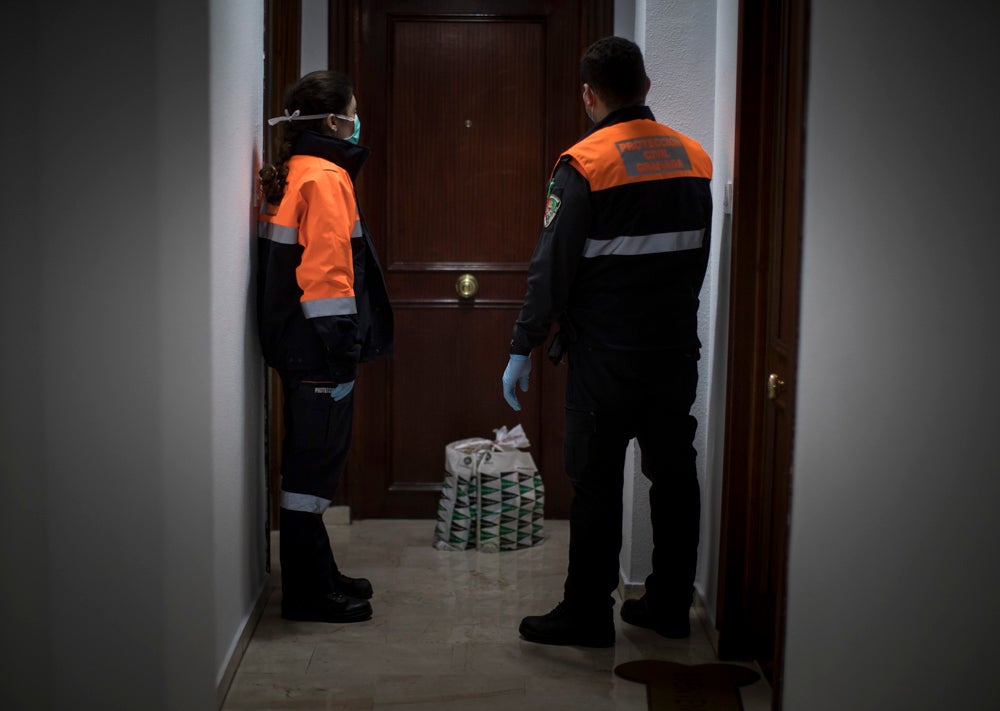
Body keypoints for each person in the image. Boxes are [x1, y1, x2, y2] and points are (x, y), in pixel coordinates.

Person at [502, 37, 713, 647]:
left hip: (604, 359)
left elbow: (552, 267)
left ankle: (587, 614)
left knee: (595, 484)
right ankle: (669, 605)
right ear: (646, 87)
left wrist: (524, 344)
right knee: (674, 476)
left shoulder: (586, 163)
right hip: (674, 352)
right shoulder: (693, 158)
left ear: (589, 94)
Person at [258, 70, 393, 623]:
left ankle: (319, 573)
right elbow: (329, 276)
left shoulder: (294, 172)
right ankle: (309, 595)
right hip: (318, 350)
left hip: (294, 344)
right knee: (313, 472)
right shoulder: (326, 179)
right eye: (353, 112)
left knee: (309, 465)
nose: (357, 121)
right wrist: (342, 351)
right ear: (335, 120)